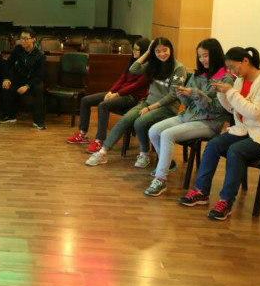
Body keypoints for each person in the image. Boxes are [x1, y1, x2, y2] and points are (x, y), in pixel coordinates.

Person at [180, 47, 260, 220]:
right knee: (213, 145)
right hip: (246, 130)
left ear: (245, 61)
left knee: (235, 151)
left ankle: (226, 201)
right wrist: (222, 94)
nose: (231, 71)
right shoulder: (240, 81)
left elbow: (255, 113)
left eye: (232, 66)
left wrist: (230, 92)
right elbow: (233, 109)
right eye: (228, 68)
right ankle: (201, 191)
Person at [143, 39, 232, 196]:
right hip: (188, 116)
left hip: (209, 123)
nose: (202, 60)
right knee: (154, 131)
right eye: (200, 56)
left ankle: (160, 179)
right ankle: (168, 164)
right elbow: (189, 103)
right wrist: (182, 95)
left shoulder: (225, 79)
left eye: (206, 56)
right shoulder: (198, 75)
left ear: (216, 55)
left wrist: (196, 94)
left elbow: (218, 109)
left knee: (167, 134)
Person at [85, 37, 187, 167]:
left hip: (167, 108)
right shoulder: (154, 64)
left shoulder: (178, 68)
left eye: (165, 50)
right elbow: (133, 69)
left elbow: (173, 95)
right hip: (149, 103)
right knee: (125, 119)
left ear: (171, 50)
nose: (162, 54)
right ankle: (102, 152)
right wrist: (148, 52)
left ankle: (144, 154)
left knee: (139, 122)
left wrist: (150, 108)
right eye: (157, 51)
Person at [67, 38, 150, 151]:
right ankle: (82, 134)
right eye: (133, 49)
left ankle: (99, 140)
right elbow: (122, 79)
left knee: (103, 105)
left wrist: (117, 94)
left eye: (137, 50)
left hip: (132, 97)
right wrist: (111, 91)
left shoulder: (148, 67)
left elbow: (135, 86)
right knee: (85, 100)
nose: (134, 52)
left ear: (144, 51)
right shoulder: (133, 61)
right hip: (119, 94)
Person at [0, 27, 46, 129]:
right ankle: (10, 116)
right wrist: (6, 78)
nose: (23, 41)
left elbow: (40, 75)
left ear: (33, 39)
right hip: (20, 77)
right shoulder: (18, 49)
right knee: (6, 86)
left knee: (38, 90)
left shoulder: (40, 55)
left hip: (33, 80)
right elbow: (9, 63)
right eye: (21, 38)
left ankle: (38, 121)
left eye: (26, 38)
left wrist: (27, 86)